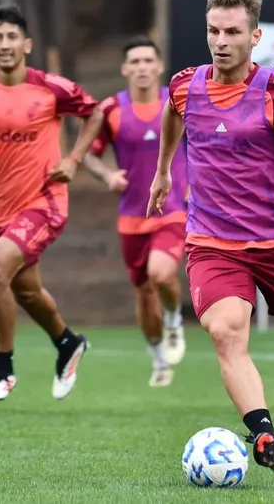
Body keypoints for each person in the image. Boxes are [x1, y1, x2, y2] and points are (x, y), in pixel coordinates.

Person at [146, 0, 274, 476]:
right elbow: (172, 110)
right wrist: (164, 168)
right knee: (228, 332)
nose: (221, 41)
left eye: (232, 31)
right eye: (213, 30)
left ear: (255, 36)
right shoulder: (187, 84)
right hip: (212, 242)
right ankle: (264, 433)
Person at [0, 4, 100, 402]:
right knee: (27, 292)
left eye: (12, 36)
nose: (5, 44)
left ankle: (3, 369)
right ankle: (68, 342)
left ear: (27, 44)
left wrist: (74, 159)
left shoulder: (50, 86)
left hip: (44, 202)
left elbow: (95, 113)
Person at [81, 36, 189, 388]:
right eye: (135, 62)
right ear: (125, 69)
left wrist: (196, 182)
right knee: (143, 294)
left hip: (173, 209)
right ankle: (159, 359)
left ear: (159, 67)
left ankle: (174, 319)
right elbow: (88, 153)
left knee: (161, 274)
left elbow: (205, 144)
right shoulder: (112, 109)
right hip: (131, 217)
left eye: (148, 61)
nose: (142, 67)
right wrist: (107, 174)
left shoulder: (177, 105)